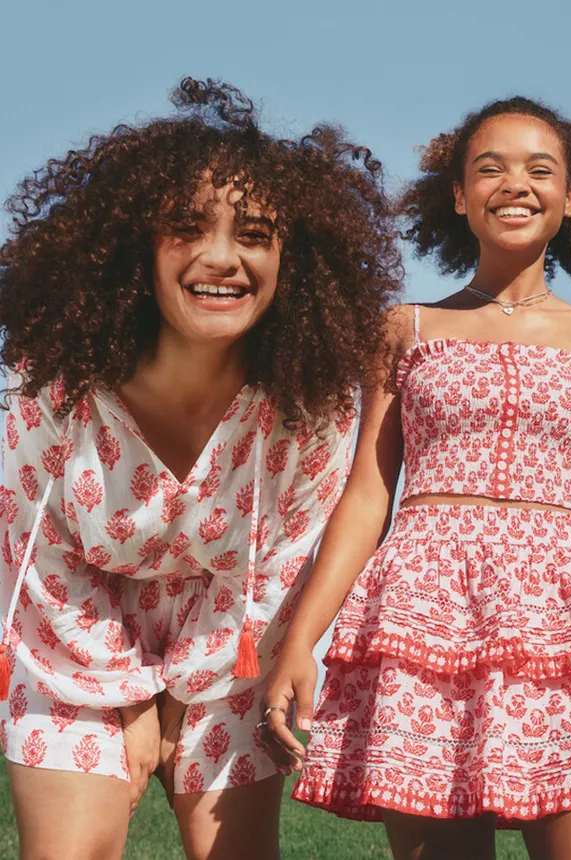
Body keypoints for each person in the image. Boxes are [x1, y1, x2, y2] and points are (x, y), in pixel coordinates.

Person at [0, 77, 402, 860]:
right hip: (67, 636)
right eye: (186, 227)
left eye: (254, 233)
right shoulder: (55, 381)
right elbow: (34, 552)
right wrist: (131, 702)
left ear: (292, 259)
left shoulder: (308, 405)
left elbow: (278, 568)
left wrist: (187, 695)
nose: (221, 257)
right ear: (136, 249)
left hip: (231, 638)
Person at [264, 96, 571, 860]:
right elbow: (366, 497)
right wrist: (299, 641)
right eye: (489, 167)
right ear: (457, 196)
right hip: (421, 620)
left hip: (567, 627)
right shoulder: (402, 328)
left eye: (540, 170)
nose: (515, 183)